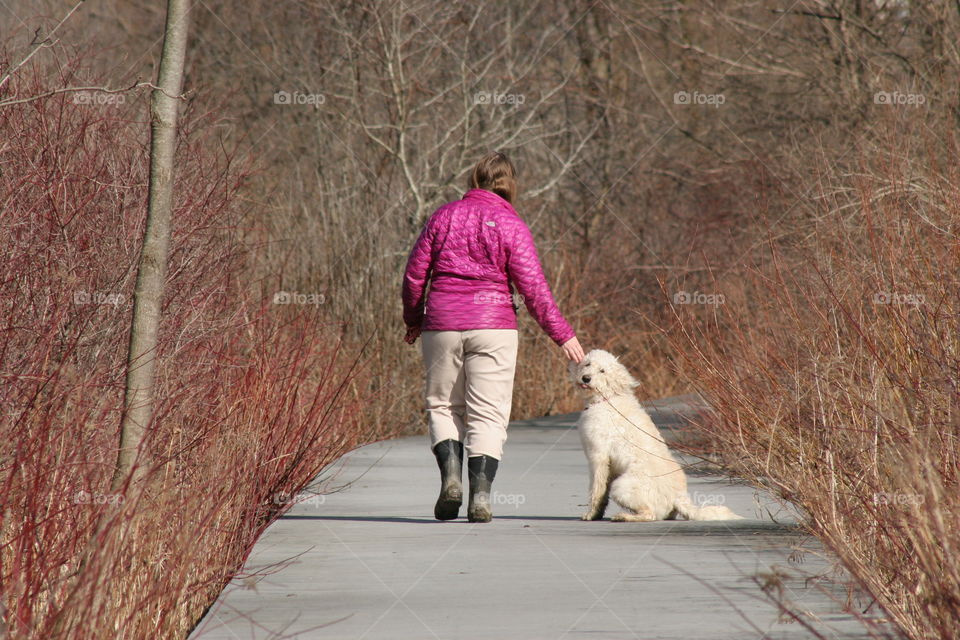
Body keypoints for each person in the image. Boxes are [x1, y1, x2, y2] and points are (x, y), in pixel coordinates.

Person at [402, 150, 584, 523]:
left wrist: (413, 319)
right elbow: (533, 287)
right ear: (510, 184)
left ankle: (451, 479)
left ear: (474, 180)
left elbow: (414, 276)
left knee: (443, 406)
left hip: (442, 324)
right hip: (494, 326)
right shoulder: (511, 224)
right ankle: (480, 498)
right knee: (488, 414)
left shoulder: (443, 216)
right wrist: (562, 335)